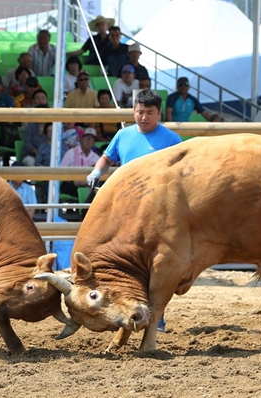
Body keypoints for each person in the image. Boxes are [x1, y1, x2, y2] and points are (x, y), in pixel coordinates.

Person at [86, 89, 182, 333]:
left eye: (149, 113)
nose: (144, 117)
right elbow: (107, 158)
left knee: (155, 264)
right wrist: (97, 171)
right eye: (140, 112)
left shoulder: (171, 140)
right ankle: (124, 310)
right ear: (134, 111)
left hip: (158, 211)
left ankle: (157, 316)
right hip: (125, 209)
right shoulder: (123, 134)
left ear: (159, 113)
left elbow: (183, 173)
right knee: (126, 261)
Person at [60, 127, 100, 197]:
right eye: (86, 137)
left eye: (91, 138)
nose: (88, 141)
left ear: (94, 142)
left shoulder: (96, 158)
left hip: (89, 186)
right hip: (71, 185)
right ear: (81, 139)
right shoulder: (71, 153)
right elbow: (61, 171)